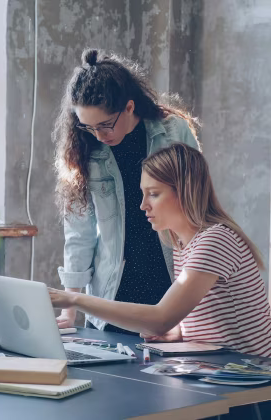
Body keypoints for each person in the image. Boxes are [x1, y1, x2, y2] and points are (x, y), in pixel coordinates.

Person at [49, 143, 271, 357]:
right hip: (221, 369)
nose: (143, 205)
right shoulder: (181, 244)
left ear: (185, 192)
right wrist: (182, 332)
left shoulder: (216, 240)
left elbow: (160, 319)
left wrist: (74, 299)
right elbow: (216, 316)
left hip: (252, 377)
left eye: (154, 194)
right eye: (144, 194)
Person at [53, 48, 200, 333]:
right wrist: (70, 309)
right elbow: (79, 232)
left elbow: (198, 209)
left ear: (129, 107)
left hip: (170, 282)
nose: (98, 135)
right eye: (88, 127)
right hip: (113, 294)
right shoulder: (84, 149)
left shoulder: (173, 132)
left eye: (105, 125)